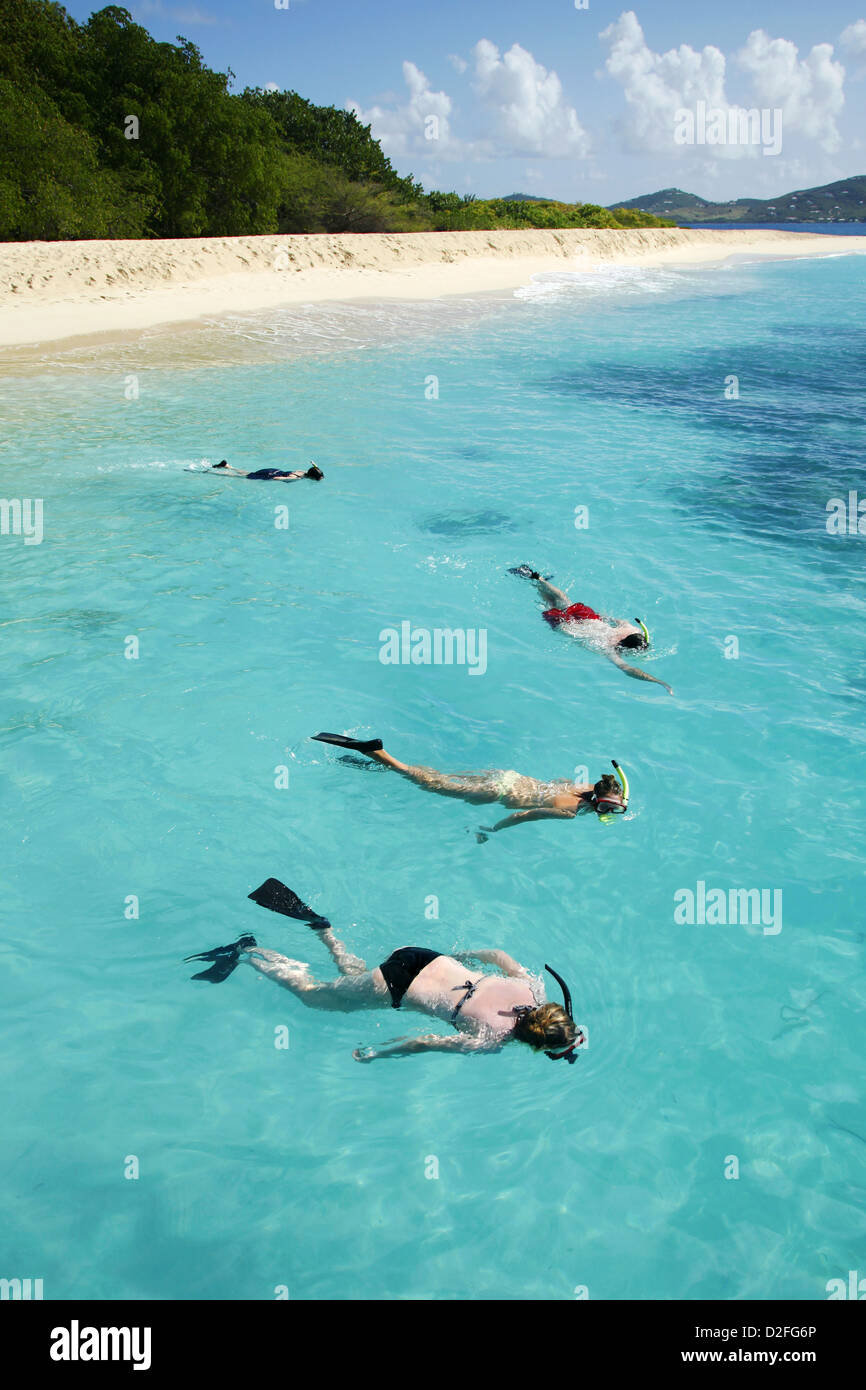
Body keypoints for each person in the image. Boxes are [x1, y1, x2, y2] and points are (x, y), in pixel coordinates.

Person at [184, 879, 583, 1064]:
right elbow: (425, 1042)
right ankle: (248, 950)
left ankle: (326, 932)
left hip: (423, 956)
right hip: (398, 985)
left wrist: (460, 955)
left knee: (355, 979)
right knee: (314, 996)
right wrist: (379, 1053)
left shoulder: (533, 988)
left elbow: (497, 953)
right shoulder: (490, 1040)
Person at [311, 732, 630, 837]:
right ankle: (380, 755)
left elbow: (554, 786)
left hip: (508, 777)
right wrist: (493, 830)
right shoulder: (571, 812)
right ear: (601, 803)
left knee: (436, 775)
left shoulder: (585, 785)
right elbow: (524, 816)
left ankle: (376, 765)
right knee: (429, 783)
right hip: (498, 792)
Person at [509, 565, 672, 694]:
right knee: (549, 605)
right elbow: (628, 669)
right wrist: (659, 682)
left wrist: (603, 618)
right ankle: (536, 581)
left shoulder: (631, 629)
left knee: (563, 599)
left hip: (589, 618)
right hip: (570, 628)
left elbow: (618, 620)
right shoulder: (610, 650)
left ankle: (539, 579)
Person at [209, 461, 324, 481]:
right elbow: (276, 478)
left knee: (248, 473)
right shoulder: (297, 477)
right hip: (270, 475)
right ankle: (214, 473)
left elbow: (313, 469)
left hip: (273, 469)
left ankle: (228, 466)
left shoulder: (302, 471)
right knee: (245, 477)